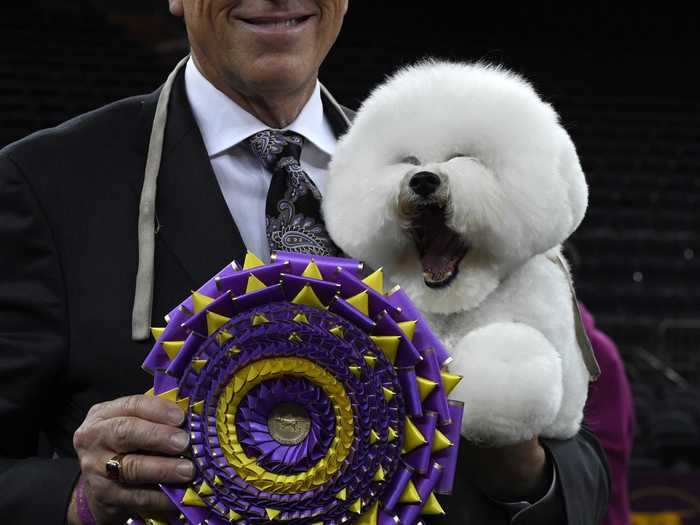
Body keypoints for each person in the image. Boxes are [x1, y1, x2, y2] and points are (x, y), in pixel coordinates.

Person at [0, 1, 609, 524]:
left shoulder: (456, 180)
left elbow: (583, 474)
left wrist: (518, 467)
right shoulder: (47, 183)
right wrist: (79, 499)